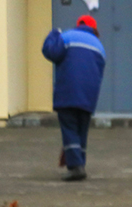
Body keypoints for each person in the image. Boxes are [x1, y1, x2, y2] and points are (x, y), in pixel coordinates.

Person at [42, 15, 106, 181]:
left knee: (70, 129)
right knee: (81, 131)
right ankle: (80, 164)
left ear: (78, 25)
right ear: (94, 29)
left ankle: (76, 168)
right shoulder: (100, 46)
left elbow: (50, 52)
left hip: (68, 93)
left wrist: (53, 34)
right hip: (88, 96)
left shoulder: (67, 37)